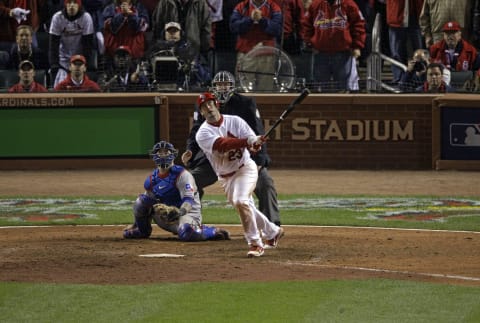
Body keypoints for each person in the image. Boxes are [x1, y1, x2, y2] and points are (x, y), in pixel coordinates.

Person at [182, 70, 281, 226]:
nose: (222, 88)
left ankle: (271, 225)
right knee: (189, 182)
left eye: (225, 84)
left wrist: (259, 161)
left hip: (241, 158)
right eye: (219, 85)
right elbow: (195, 131)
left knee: (265, 183)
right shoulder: (204, 104)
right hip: (214, 159)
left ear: (232, 86)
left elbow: (258, 133)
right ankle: (189, 223)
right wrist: (190, 150)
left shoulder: (246, 103)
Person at [195, 92, 284, 257]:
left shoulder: (235, 121)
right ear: (201, 112)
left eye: (210, 104)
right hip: (226, 177)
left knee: (241, 200)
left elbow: (250, 137)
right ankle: (273, 231)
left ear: (216, 104)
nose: (208, 108)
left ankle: (255, 243)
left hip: (245, 168)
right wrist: (247, 142)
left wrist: (254, 144)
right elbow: (222, 144)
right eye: (204, 107)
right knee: (245, 205)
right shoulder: (202, 133)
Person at [123, 140, 231, 242]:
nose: (163, 155)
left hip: (187, 215)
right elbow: (145, 203)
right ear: (154, 156)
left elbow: (189, 201)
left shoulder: (182, 175)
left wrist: (179, 212)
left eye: (166, 152)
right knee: (140, 201)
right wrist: (136, 223)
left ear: (173, 155)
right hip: (166, 216)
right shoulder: (152, 179)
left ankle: (210, 231)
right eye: (160, 153)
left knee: (187, 233)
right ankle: (141, 231)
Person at [301, 0, 366, 92]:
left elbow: (358, 25)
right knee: (322, 88)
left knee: (345, 87)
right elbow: (306, 25)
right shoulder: (315, 5)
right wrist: (310, 43)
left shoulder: (349, 4)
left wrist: (357, 46)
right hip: (320, 53)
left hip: (343, 52)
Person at [229, 0, 283, 91]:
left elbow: (277, 29)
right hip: (246, 54)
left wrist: (262, 20)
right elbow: (233, 27)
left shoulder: (274, 7)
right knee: (243, 89)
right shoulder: (242, 6)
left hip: (267, 55)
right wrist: (250, 19)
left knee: (266, 90)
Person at [49, 0, 96, 87]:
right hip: (62, 61)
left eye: (75, 3)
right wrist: (54, 65)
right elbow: (53, 45)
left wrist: (85, 64)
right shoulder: (57, 18)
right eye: (69, 3)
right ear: (65, 4)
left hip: (79, 60)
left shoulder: (86, 17)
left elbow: (88, 45)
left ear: (79, 5)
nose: (71, 5)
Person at [386, 0, 424, 84]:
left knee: (418, 52)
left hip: (415, 16)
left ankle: (419, 78)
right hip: (396, 17)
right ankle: (398, 78)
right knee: (396, 52)